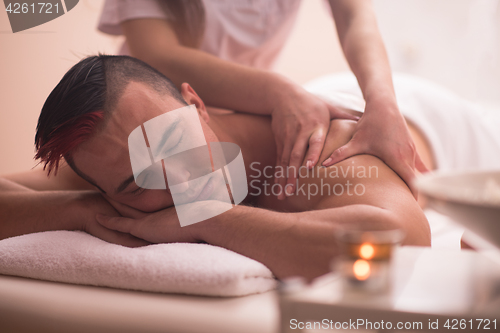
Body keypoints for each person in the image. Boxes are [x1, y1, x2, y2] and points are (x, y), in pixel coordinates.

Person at [0, 55, 430, 280]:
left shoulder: (323, 152)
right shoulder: (116, 159)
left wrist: (215, 220)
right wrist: (82, 209)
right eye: (134, 186)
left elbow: (403, 243)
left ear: (196, 103)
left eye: (174, 141)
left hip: (433, 116)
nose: (177, 177)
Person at [97, 0, 427, 198]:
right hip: (154, 121)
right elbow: (157, 54)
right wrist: (279, 92)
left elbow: (355, 15)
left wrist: (383, 102)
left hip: (253, 119)